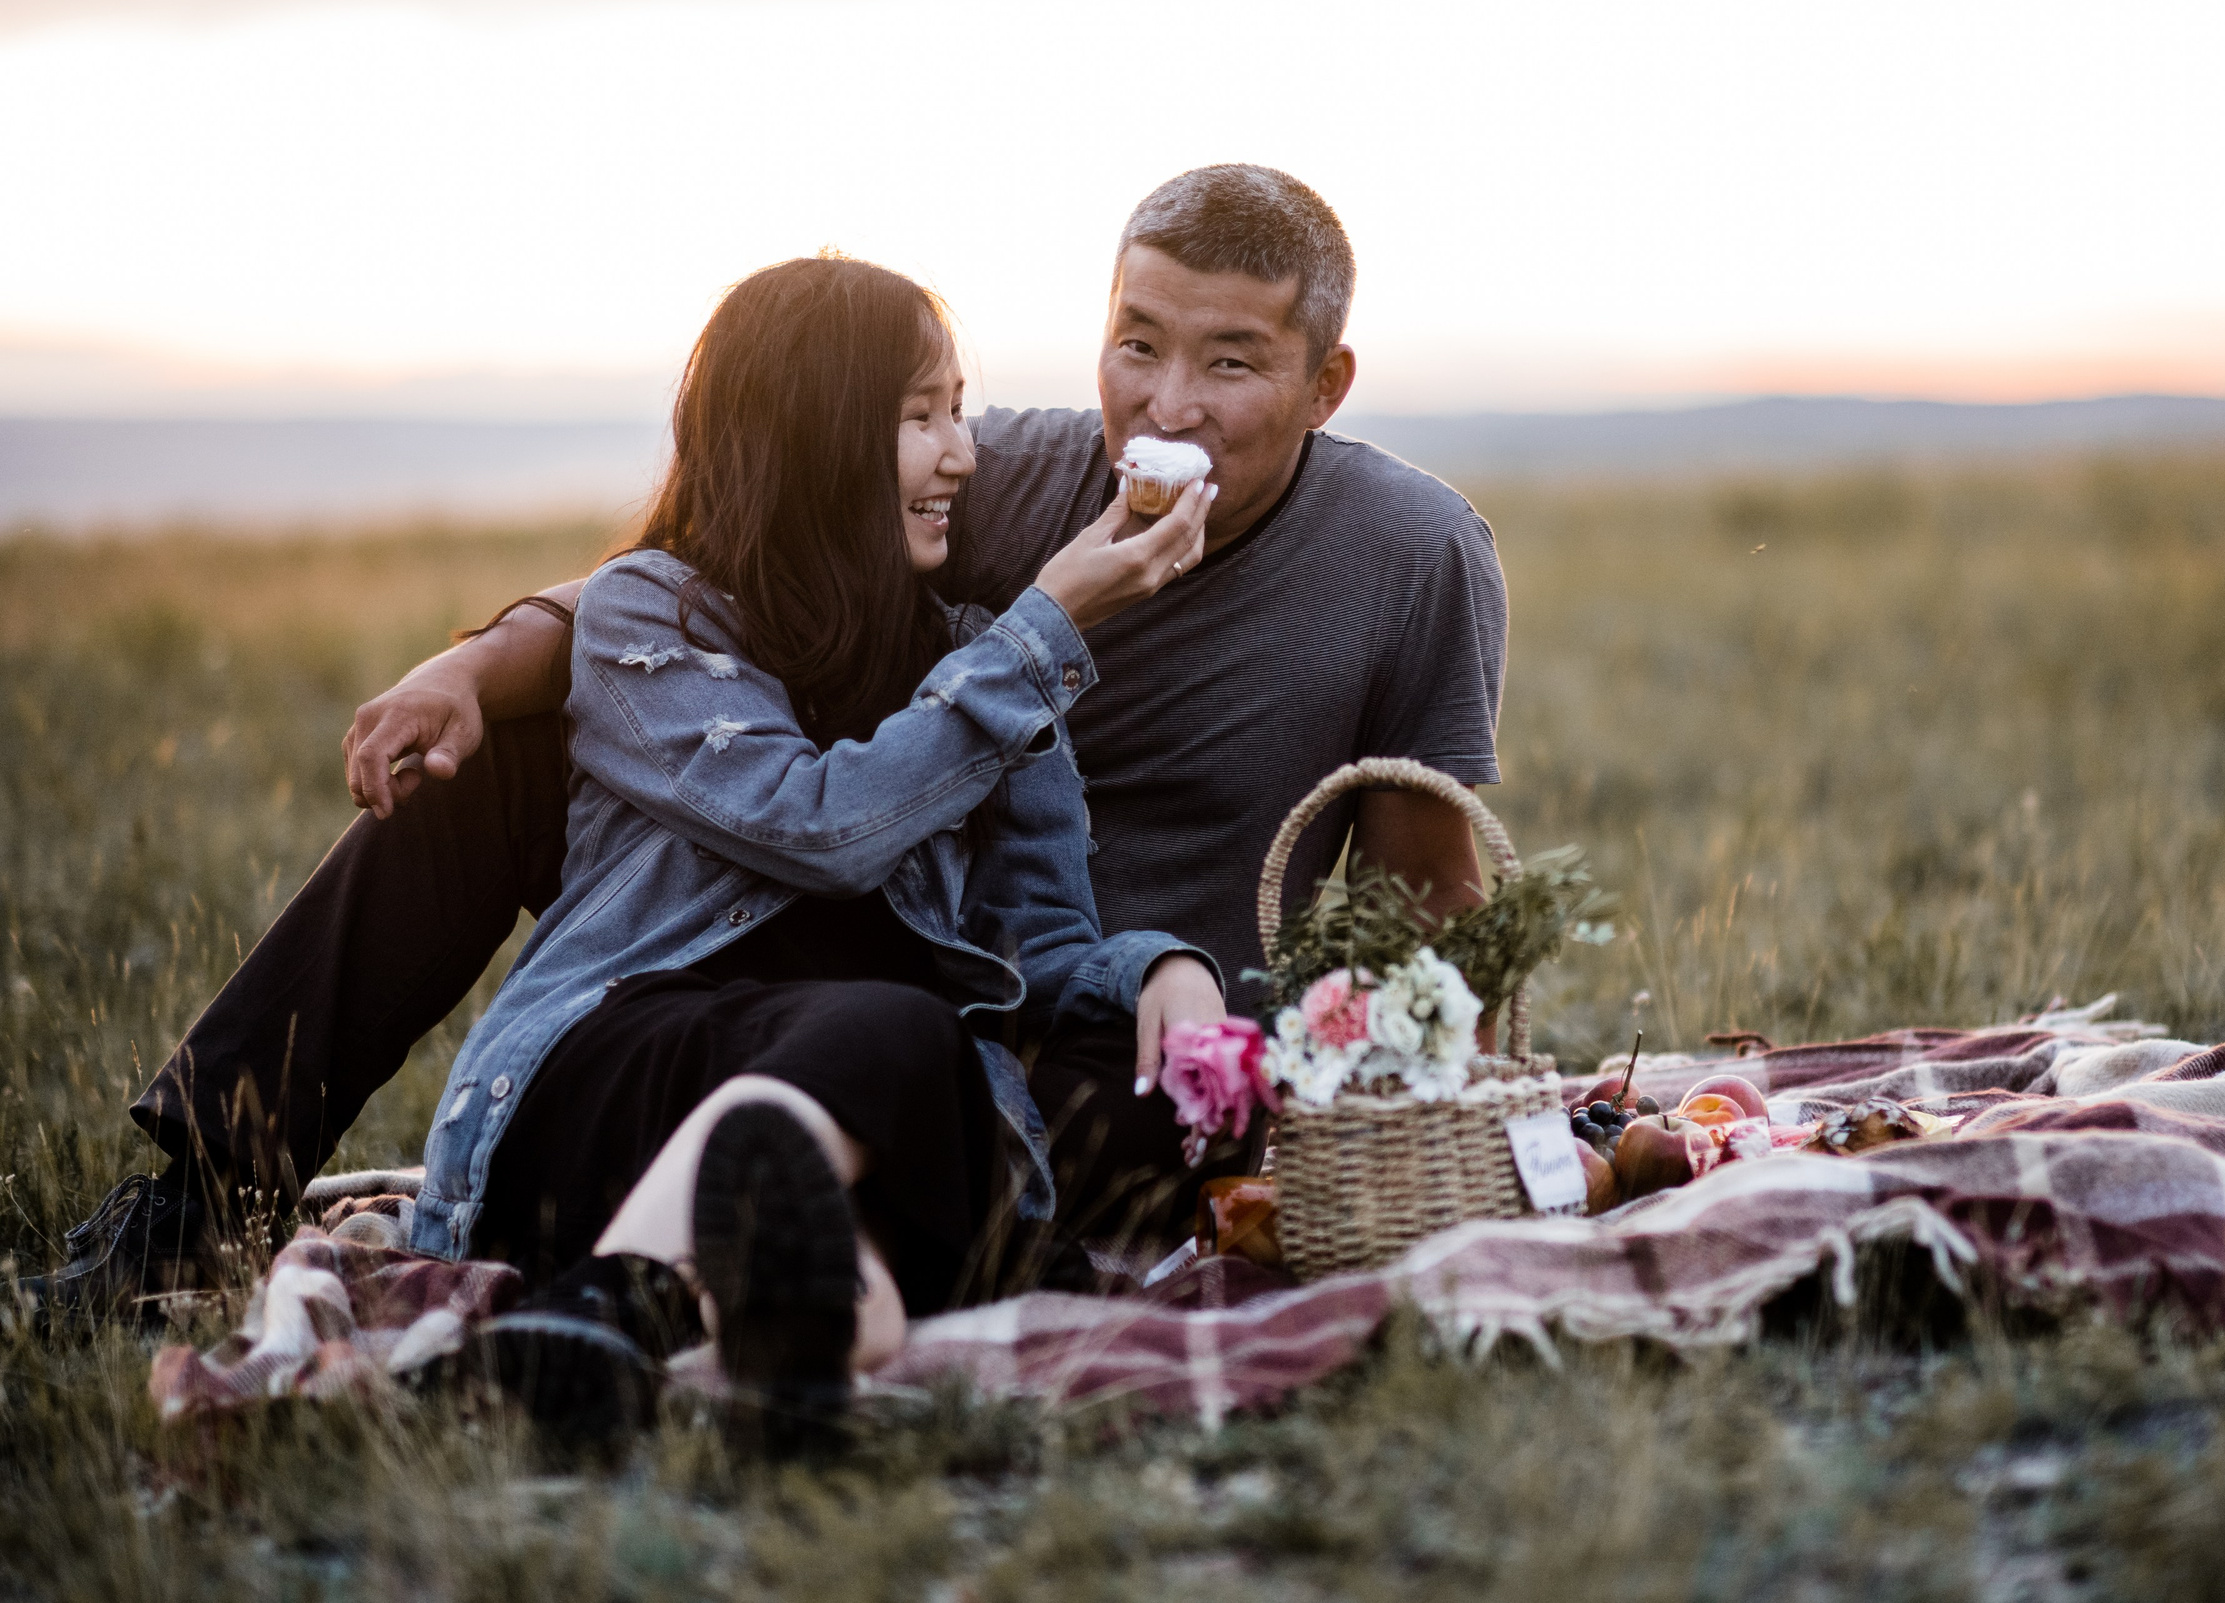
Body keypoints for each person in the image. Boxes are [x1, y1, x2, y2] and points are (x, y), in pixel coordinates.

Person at [25, 164, 1510, 1316]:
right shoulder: (1022, 477)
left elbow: (1427, 872)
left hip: (1096, 1012)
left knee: (972, 1083)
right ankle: (205, 1181)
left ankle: (739, 1277)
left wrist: (1395, 1080)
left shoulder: (1415, 551)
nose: (1163, 404)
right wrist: (479, 664)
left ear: (1327, 382)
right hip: (877, 889)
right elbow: (713, 552)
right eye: (1137, 343)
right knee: (509, 761)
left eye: (1232, 365)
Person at [424, 250, 1224, 1434]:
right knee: (891, 1026)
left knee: (935, 1094)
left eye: (958, 411)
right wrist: (1046, 628)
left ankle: (788, 1357)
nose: (963, 453)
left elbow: (1043, 942)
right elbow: (820, 828)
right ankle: (616, 1295)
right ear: (812, 436)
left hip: (878, 1106)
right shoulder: (656, 614)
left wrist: (1157, 963)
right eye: (919, 418)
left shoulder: (979, 657)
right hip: (635, 1067)